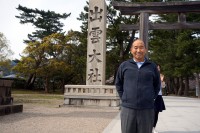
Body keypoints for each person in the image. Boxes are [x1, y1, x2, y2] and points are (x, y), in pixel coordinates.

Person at [115, 39, 161, 133]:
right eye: (136, 48)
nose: (138, 50)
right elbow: (118, 83)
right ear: (131, 50)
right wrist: (124, 97)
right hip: (128, 108)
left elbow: (157, 84)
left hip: (147, 109)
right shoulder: (124, 66)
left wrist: (151, 97)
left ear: (145, 50)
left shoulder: (152, 66)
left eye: (141, 47)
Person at [153, 64, 166, 133]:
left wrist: (162, 81)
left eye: (159, 68)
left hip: (159, 96)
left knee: (156, 113)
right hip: (152, 96)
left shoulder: (161, 76)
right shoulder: (151, 75)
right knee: (151, 113)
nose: (158, 69)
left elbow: (163, 86)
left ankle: (153, 127)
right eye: (156, 68)